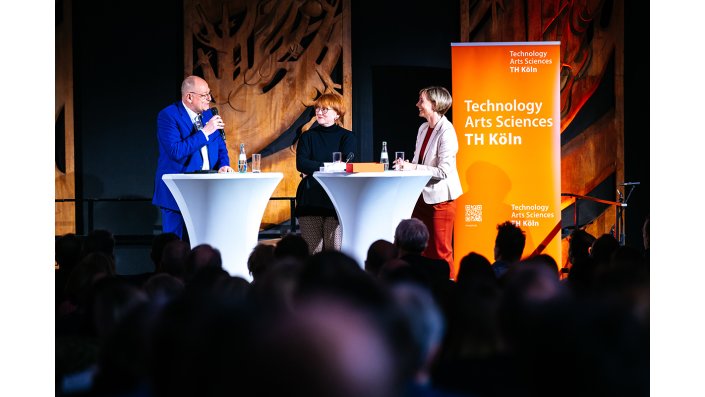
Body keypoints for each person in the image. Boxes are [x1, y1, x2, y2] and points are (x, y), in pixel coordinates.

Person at [152, 75, 234, 239]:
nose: (209, 99)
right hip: (177, 193)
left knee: (202, 245)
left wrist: (223, 165)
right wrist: (205, 132)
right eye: (204, 95)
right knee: (175, 248)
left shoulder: (208, 115)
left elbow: (221, 148)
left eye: (209, 94)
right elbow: (176, 151)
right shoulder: (168, 115)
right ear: (189, 97)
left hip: (204, 192)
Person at [394, 86, 463, 273]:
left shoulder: (447, 131)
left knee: (441, 252)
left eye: (421, 100)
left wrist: (413, 167)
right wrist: (406, 164)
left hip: (441, 201)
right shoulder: (423, 128)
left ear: (434, 104)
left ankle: (448, 293)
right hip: (421, 198)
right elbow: (419, 162)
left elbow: (443, 171)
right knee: (421, 251)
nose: (417, 104)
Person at [295, 92, 356, 254]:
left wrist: (315, 168)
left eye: (325, 109)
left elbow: (344, 165)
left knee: (334, 251)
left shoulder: (347, 137)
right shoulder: (308, 136)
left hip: (335, 198)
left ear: (337, 114)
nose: (319, 112)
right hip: (310, 197)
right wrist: (330, 167)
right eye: (318, 109)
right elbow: (301, 164)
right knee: (312, 251)